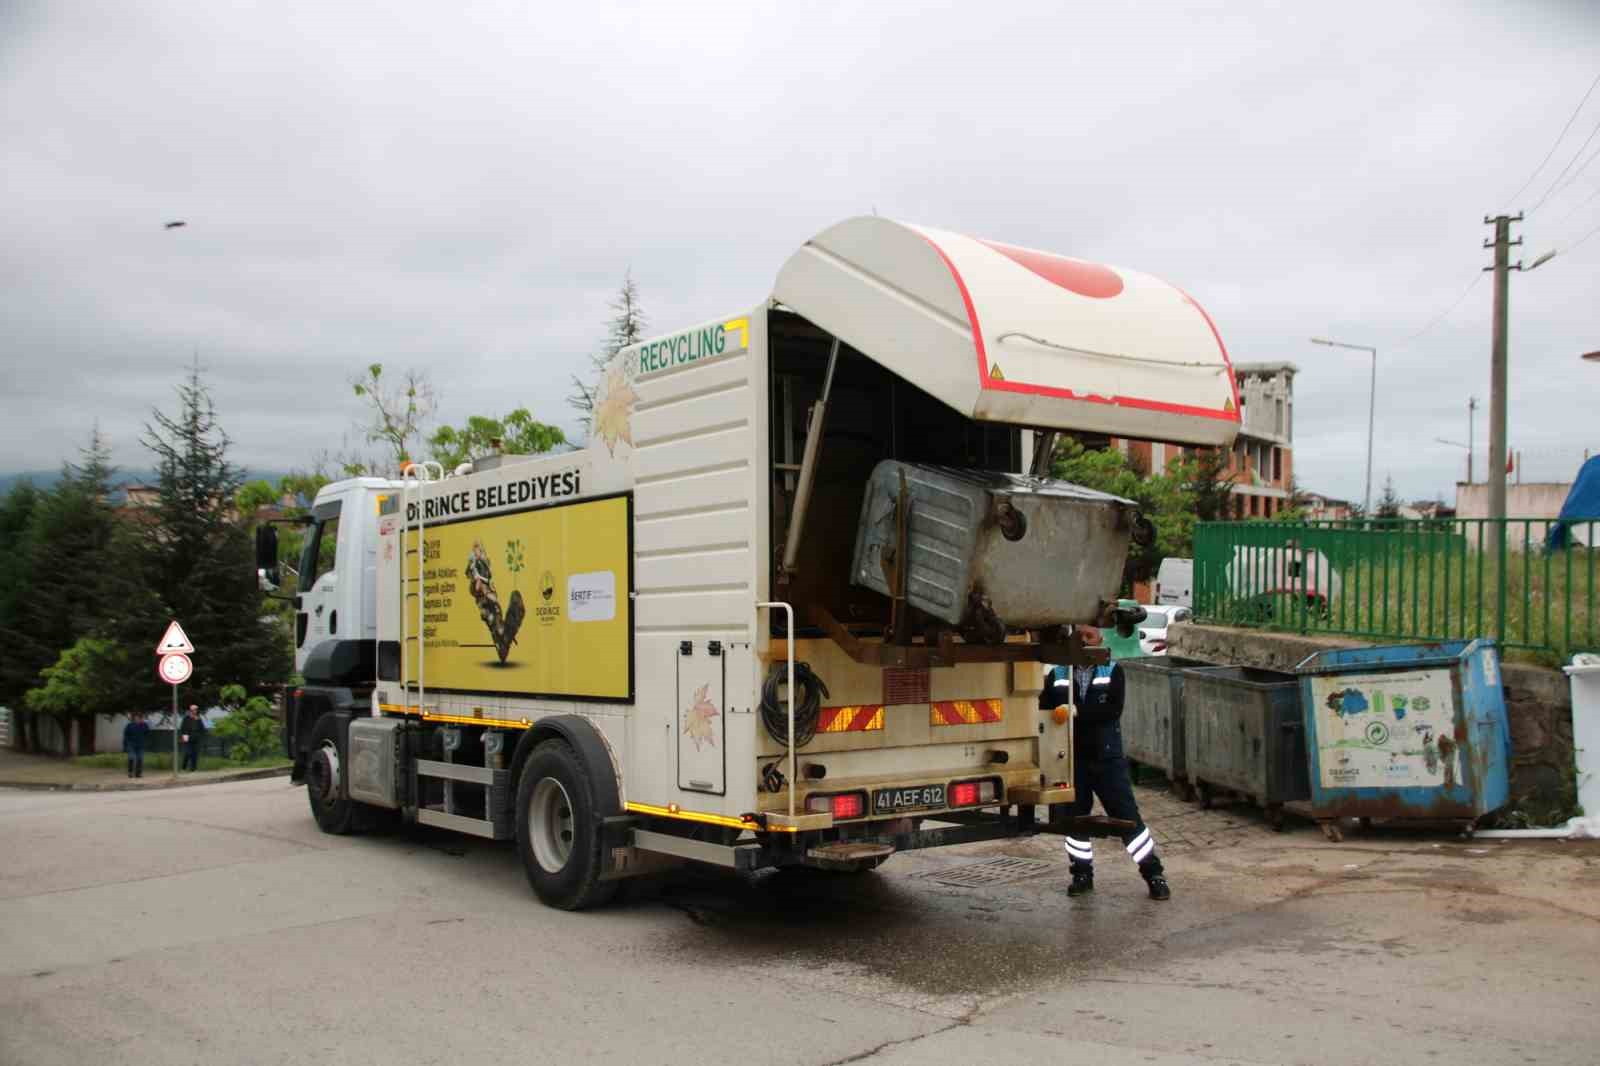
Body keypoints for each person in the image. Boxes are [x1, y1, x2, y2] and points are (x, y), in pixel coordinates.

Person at [1041, 611, 1171, 902]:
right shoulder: (1059, 673)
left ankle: (1153, 874)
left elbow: (1112, 710)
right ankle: (1081, 875)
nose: (1084, 642)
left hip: (1106, 758)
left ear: (1100, 637)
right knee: (1075, 821)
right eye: (1079, 637)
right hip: (1072, 761)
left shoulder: (1113, 671)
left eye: (1089, 636)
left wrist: (1077, 712)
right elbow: (1043, 707)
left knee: (1128, 819)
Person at [122, 711, 150, 779]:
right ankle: (130, 772)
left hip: (140, 745)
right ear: (134, 719)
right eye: (136, 718)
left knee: (140, 759)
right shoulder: (129, 725)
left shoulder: (144, 725)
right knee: (131, 758)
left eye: (139, 718)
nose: (137, 719)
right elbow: (125, 735)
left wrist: (144, 723)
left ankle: (138, 773)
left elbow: (147, 732)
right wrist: (125, 745)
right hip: (131, 745)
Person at [179, 704, 206, 772]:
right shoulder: (186, 718)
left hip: (196, 738)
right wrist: (185, 738)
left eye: (196, 710)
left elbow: (202, 728)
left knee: (195, 754)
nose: (195, 711)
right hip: (188, 737)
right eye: (194, 710)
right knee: (188, 753)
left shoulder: (198, 718)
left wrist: (200, 735)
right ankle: (183, 767)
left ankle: (193, 769)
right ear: (190, 710)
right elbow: (183, 728)